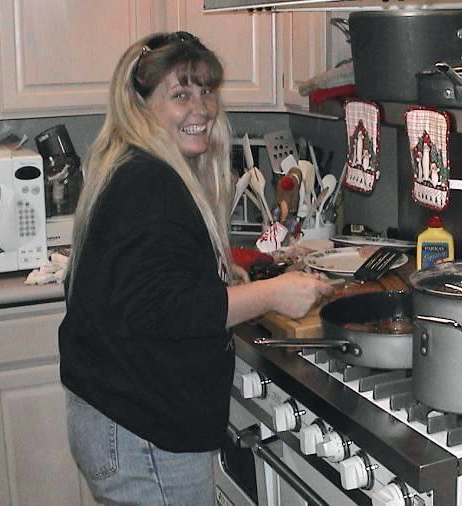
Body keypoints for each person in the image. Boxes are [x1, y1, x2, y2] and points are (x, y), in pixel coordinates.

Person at [58, 31, 333, 505]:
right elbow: (167, 312)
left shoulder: (130, 166)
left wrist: (208, 274)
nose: (201, 108)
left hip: (119, 419)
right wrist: (273, 293)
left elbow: (141, 284)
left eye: (206, 90)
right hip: (144, 435)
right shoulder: (150, 182)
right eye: (181, 94)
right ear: (141, 105)